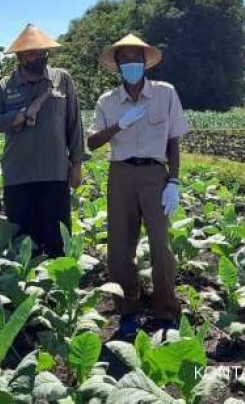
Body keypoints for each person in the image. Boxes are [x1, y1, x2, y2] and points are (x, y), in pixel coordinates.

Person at [86, 34, 190, 338]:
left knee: (161, 246)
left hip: (155, 175)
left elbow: (174, 139)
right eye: (125, 59)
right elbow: (92, 142)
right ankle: (128, 311)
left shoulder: (165, 94)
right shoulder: (107, 101)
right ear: (117, 65)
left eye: (136, 58)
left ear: (144, 62)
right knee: (119, 248)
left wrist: (174, 179)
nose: (131, 64)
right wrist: (120, 124)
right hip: (121, 175)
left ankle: (165, 312)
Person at [0, 23, 86, 258]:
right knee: (23, 244)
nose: (39, 57)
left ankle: (55, 291)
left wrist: (77, 164)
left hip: (55, 173)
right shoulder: (4, 87)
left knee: (57, 242)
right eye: (32, 53)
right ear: (20, 57)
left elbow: (74, 124)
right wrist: (14, 118)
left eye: (42, 52)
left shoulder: (62, 80)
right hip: (18, 175)